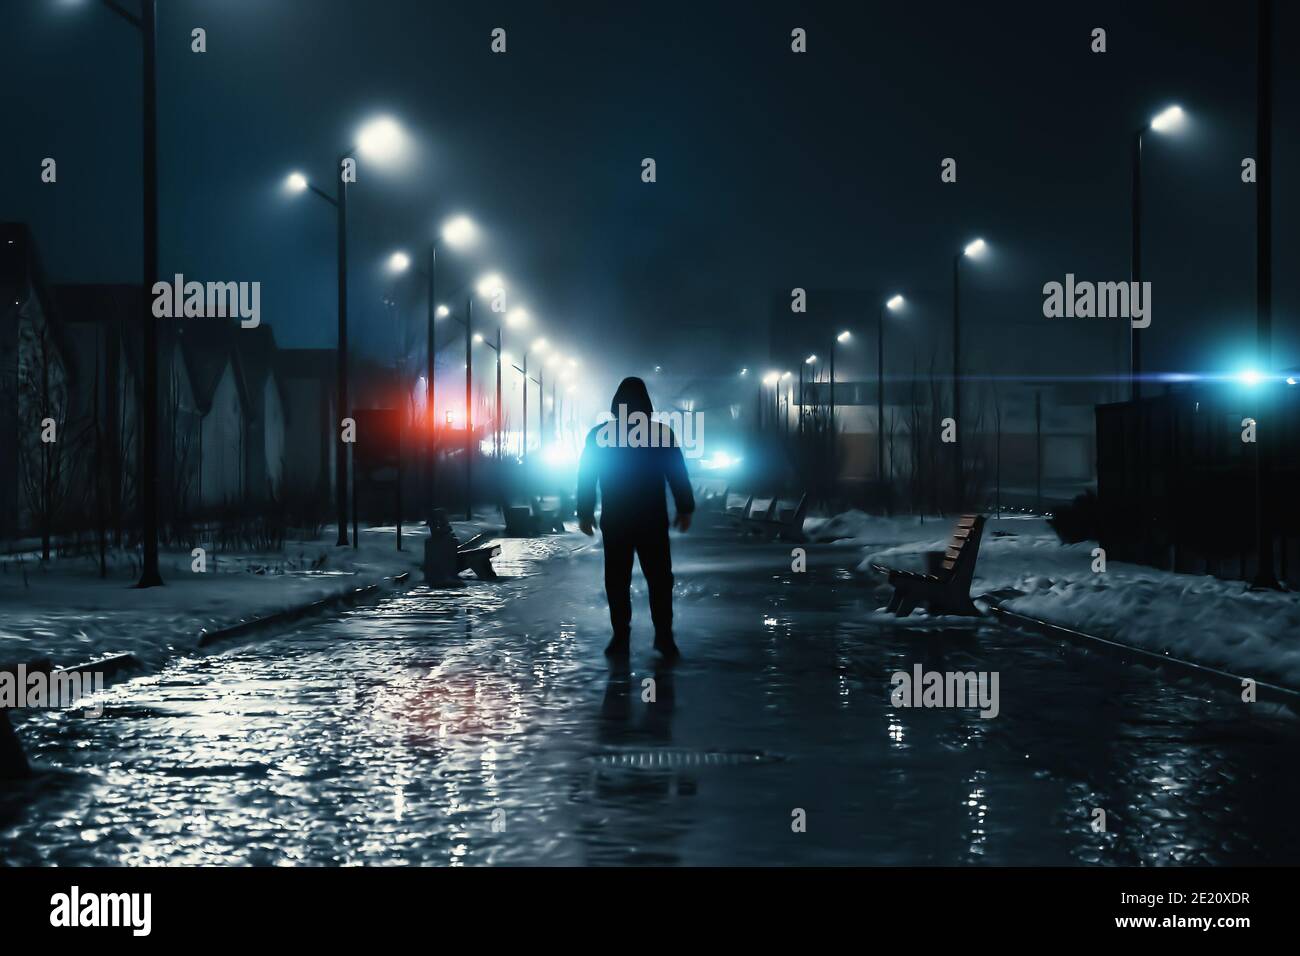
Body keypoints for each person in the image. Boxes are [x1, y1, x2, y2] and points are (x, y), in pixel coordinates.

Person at [577, 377, 694, 658]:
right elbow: (676, 473)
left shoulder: (599, 435)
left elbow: (586, 476)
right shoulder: (660, 434)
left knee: (617, 579)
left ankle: (621, 636)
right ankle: (664, 637)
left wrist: (585, 511)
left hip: (616, 518)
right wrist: (685, 507)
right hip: (652, 518)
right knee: (660, 579)